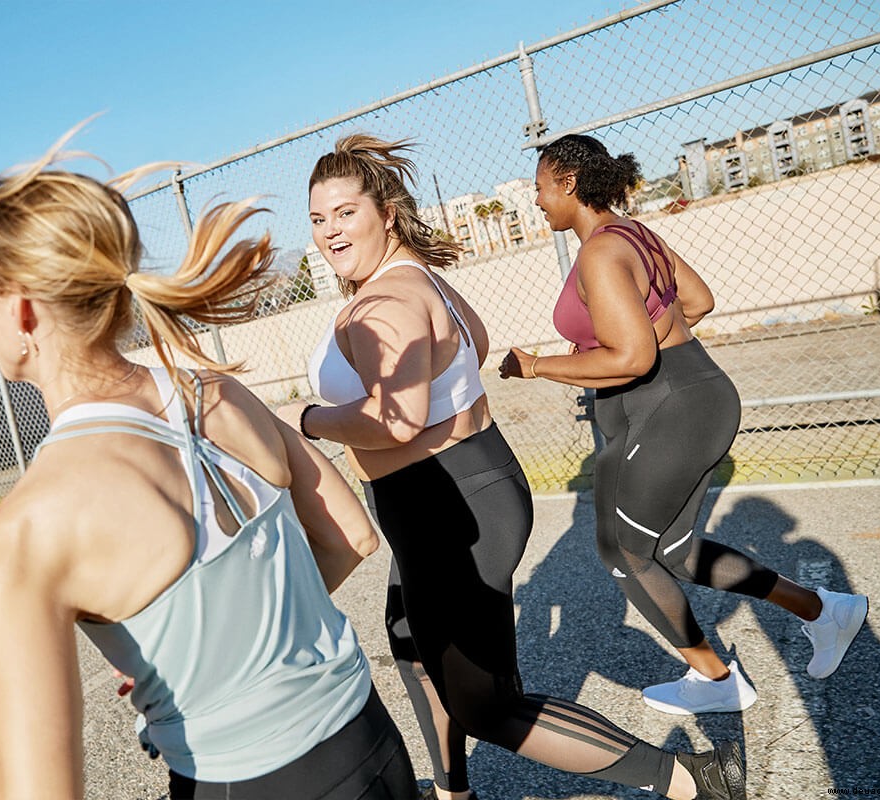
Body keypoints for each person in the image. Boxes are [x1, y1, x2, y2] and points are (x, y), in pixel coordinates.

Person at [278, 133, 747, 800]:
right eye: (319, 219)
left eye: (345, 213)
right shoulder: (418, 281)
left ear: (385, 210)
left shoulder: (388, 300)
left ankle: (693, 779)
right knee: (409, 639)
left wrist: (301, 419)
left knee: (489, 707)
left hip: (447, 508)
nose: (329, 232)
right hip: (461, 489)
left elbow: (396, 420)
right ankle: (453, 792)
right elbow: (464, 355)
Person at [0, 123, 418, 800]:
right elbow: (351, 536)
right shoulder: (216, 391)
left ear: (24, 311)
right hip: (370, 746)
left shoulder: (31, 524)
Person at [499, 133, 869, 716]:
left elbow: (633, 358)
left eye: (541, 188)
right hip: (695, 392)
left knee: (623, 552)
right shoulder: (635, 235)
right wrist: (631, 341)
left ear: (568, 183)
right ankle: (824, 612)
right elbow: (697, 301)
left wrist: (537, 366)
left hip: (668, 404)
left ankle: (715, 679)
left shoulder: (598, 251)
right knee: (671, 549)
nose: (537, 201)